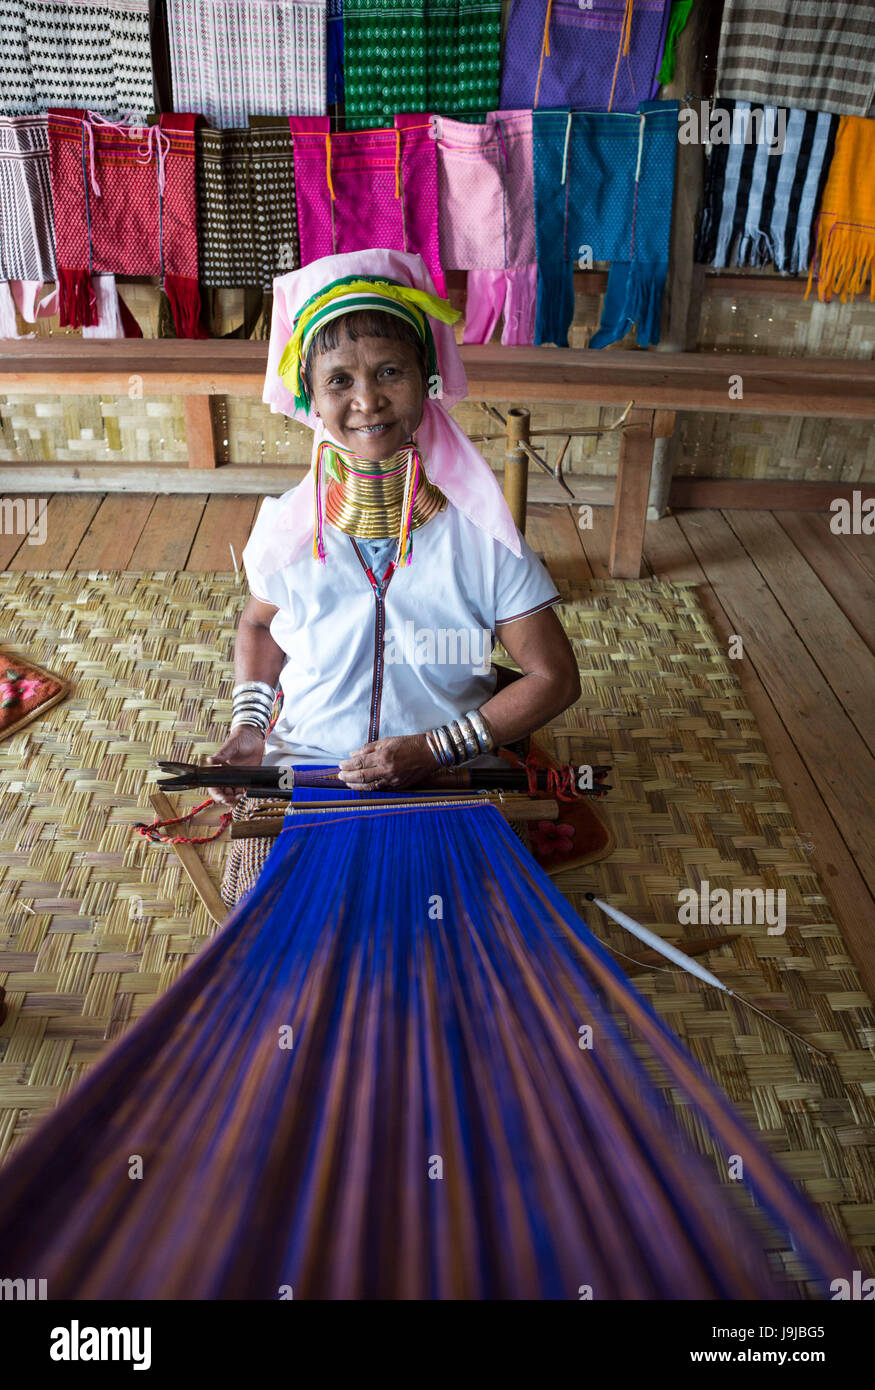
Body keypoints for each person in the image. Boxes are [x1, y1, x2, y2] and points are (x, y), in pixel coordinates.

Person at [208, 248, 580, 835]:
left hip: (447, 782)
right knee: (283, 910)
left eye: (389, 371)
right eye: (339, 380)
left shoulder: (478, 536)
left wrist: (435, 749)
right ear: (309, 396)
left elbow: (554, 677)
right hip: (307, 774)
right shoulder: (288, 530)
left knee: (463, 922)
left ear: (424, 380)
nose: (367, 400)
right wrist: (251, 727)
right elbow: (258, 625)